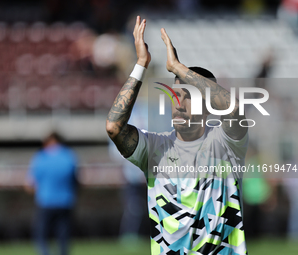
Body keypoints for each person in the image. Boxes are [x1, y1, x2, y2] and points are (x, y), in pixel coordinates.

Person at [106, 16, 249, 255]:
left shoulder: (226, 144)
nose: (178, 103)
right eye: (175, 95)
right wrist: (141, 64)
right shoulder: (154, 147)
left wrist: (178, 68)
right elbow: (114, 127)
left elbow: (233, 109)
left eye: (188, 95)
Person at [26, 132, 78, 255]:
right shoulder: (69, 156)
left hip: (46, 200)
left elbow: (30, 184)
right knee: (63, 234)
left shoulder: (41, 157)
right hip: (66, 201)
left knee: (42, 234)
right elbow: (75, 180)